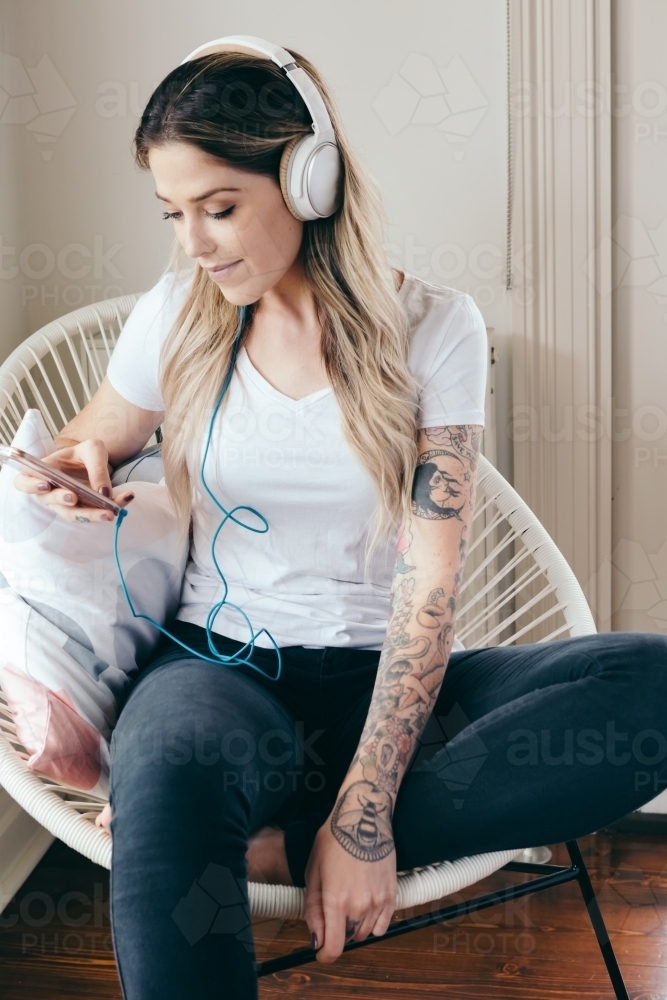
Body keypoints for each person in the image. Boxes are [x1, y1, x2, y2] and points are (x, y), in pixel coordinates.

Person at [13, 41, 667, 1000]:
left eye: (219, 208)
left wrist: (363, 812)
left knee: (647, 681)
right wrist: (77, 465)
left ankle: (287, 832)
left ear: (306, 178)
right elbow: (94, 436)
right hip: (218, 670)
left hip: (389, 682)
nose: (194, 243)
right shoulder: (178, 312)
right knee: (166, 764)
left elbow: (429, 582)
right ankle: (250, 817)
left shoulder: (435, 327)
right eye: (174, 213)